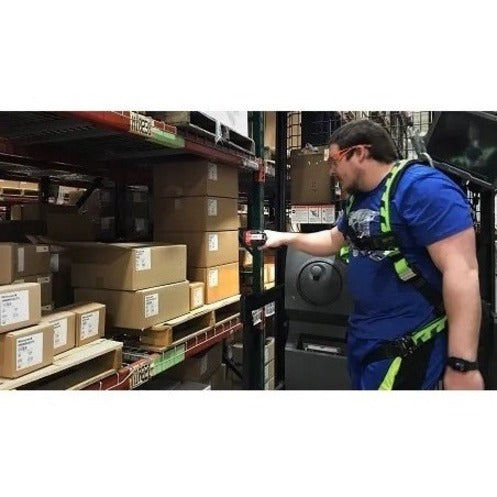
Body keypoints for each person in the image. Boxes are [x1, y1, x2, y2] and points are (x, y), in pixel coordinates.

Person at [263, 119, 484, 390]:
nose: (331, 170)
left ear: (360, 153)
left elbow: (462, 272)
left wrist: (462, 364)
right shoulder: (359, 197)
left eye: (334, 160)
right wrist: (284, 238)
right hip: (366, 339)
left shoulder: (423, 189)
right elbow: (335, 238)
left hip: (408, 343)